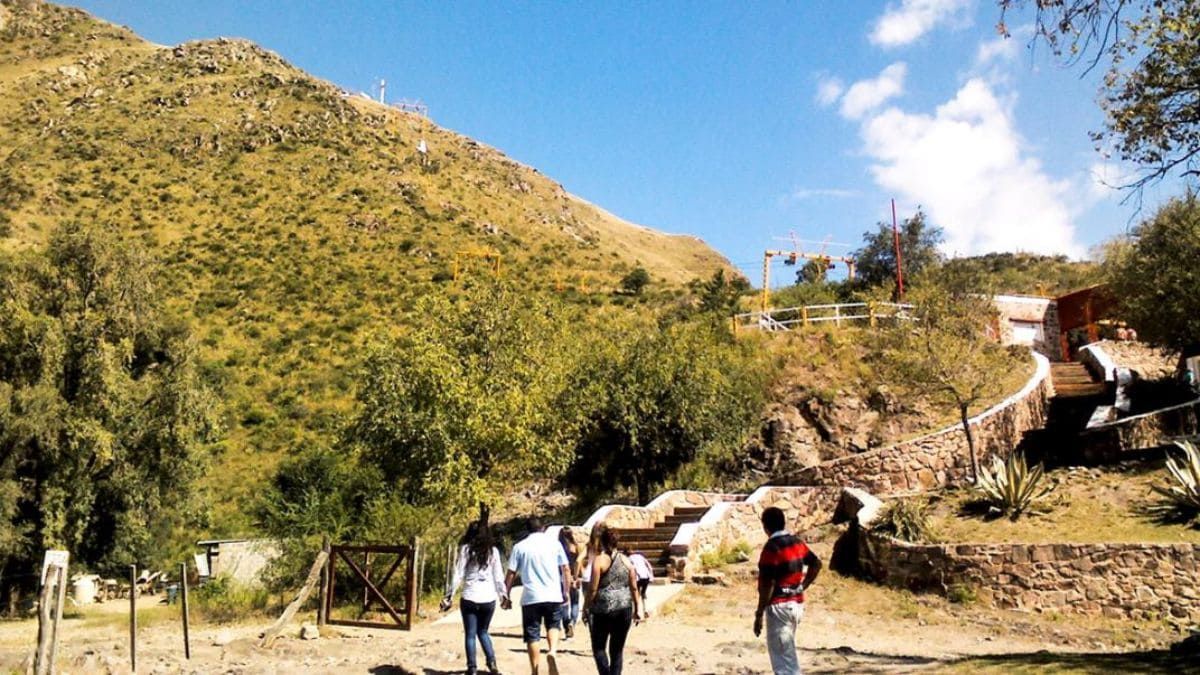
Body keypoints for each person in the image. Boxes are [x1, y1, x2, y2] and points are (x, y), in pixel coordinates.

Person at [753, 506, 822, 675]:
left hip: (779, 607)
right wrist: (803, 586)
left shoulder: (772, 548)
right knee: (787, 654)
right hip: (796, 604)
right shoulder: (796, 542)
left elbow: (767, 585)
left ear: (765, 526)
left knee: (784, 663)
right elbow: (816, 563)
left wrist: (759, 613)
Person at [504, 517, 569, 675]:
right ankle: (552, 651)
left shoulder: (520, 547)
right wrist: (566, 591)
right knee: (553, 625)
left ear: (527, 529)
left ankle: (535, 670)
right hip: (553, 594)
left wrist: (506, 594)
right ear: (543, 528)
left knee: (532, 634)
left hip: (531, 597)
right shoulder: (555, 544)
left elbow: (511, 573)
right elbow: (566, 568)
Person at [441, 520, 505, 675]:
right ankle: (492, 662)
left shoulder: (466, 550)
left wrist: (449, 595)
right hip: (488, 598)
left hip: (469, 596)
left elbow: (458, 574)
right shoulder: (493, 552)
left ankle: (472, 668)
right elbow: (498, 576)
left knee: (470, 634)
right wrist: (503, 595)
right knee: (483, 631)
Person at [584, 526, 643, 675]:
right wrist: (638, 608)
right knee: (617, 650)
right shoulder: (626, 561)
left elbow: (592, 589)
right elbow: (634, 588)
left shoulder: (599, 561)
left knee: (599, 647)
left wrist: (586, 607)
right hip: (624, 608)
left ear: (602, 541)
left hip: (602, 609)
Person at [558, 526, 582, 639]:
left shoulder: (558, 548)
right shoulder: (575, 547)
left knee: (564, 603)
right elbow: (579, 562)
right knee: (575, 602)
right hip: (573, 576)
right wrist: (578, 577)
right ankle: (572, 622)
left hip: (561, 578)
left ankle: (566, 626)